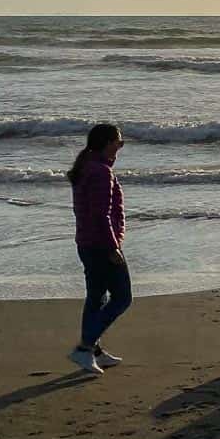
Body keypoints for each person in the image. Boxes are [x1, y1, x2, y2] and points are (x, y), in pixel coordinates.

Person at [67, 123, 133, 375]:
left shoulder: (86, 167)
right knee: (122, 298)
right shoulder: (99, 172)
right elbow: (101, 215)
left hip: (87, 242)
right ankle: (84, 348)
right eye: (119, 141)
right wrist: (113, 247)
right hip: (101, 244)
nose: (120, 146)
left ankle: (93, 351)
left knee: (97, 297)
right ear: (107, 143)